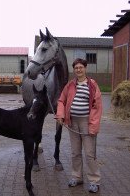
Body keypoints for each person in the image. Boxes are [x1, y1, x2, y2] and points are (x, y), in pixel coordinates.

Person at [55, 58, 102, 193]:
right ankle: (77, 176)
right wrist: (60, 115)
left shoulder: (92, 85)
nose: (78, 70)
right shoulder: (70, 85)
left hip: (87, 122)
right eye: (76, 68)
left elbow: (97, 106)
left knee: (89, 153)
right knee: (75, 152)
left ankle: (94, 181)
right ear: (74, 70)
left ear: (85, 68)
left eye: (81, 67)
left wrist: (93, 125)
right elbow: (61, 101)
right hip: (72, 122)